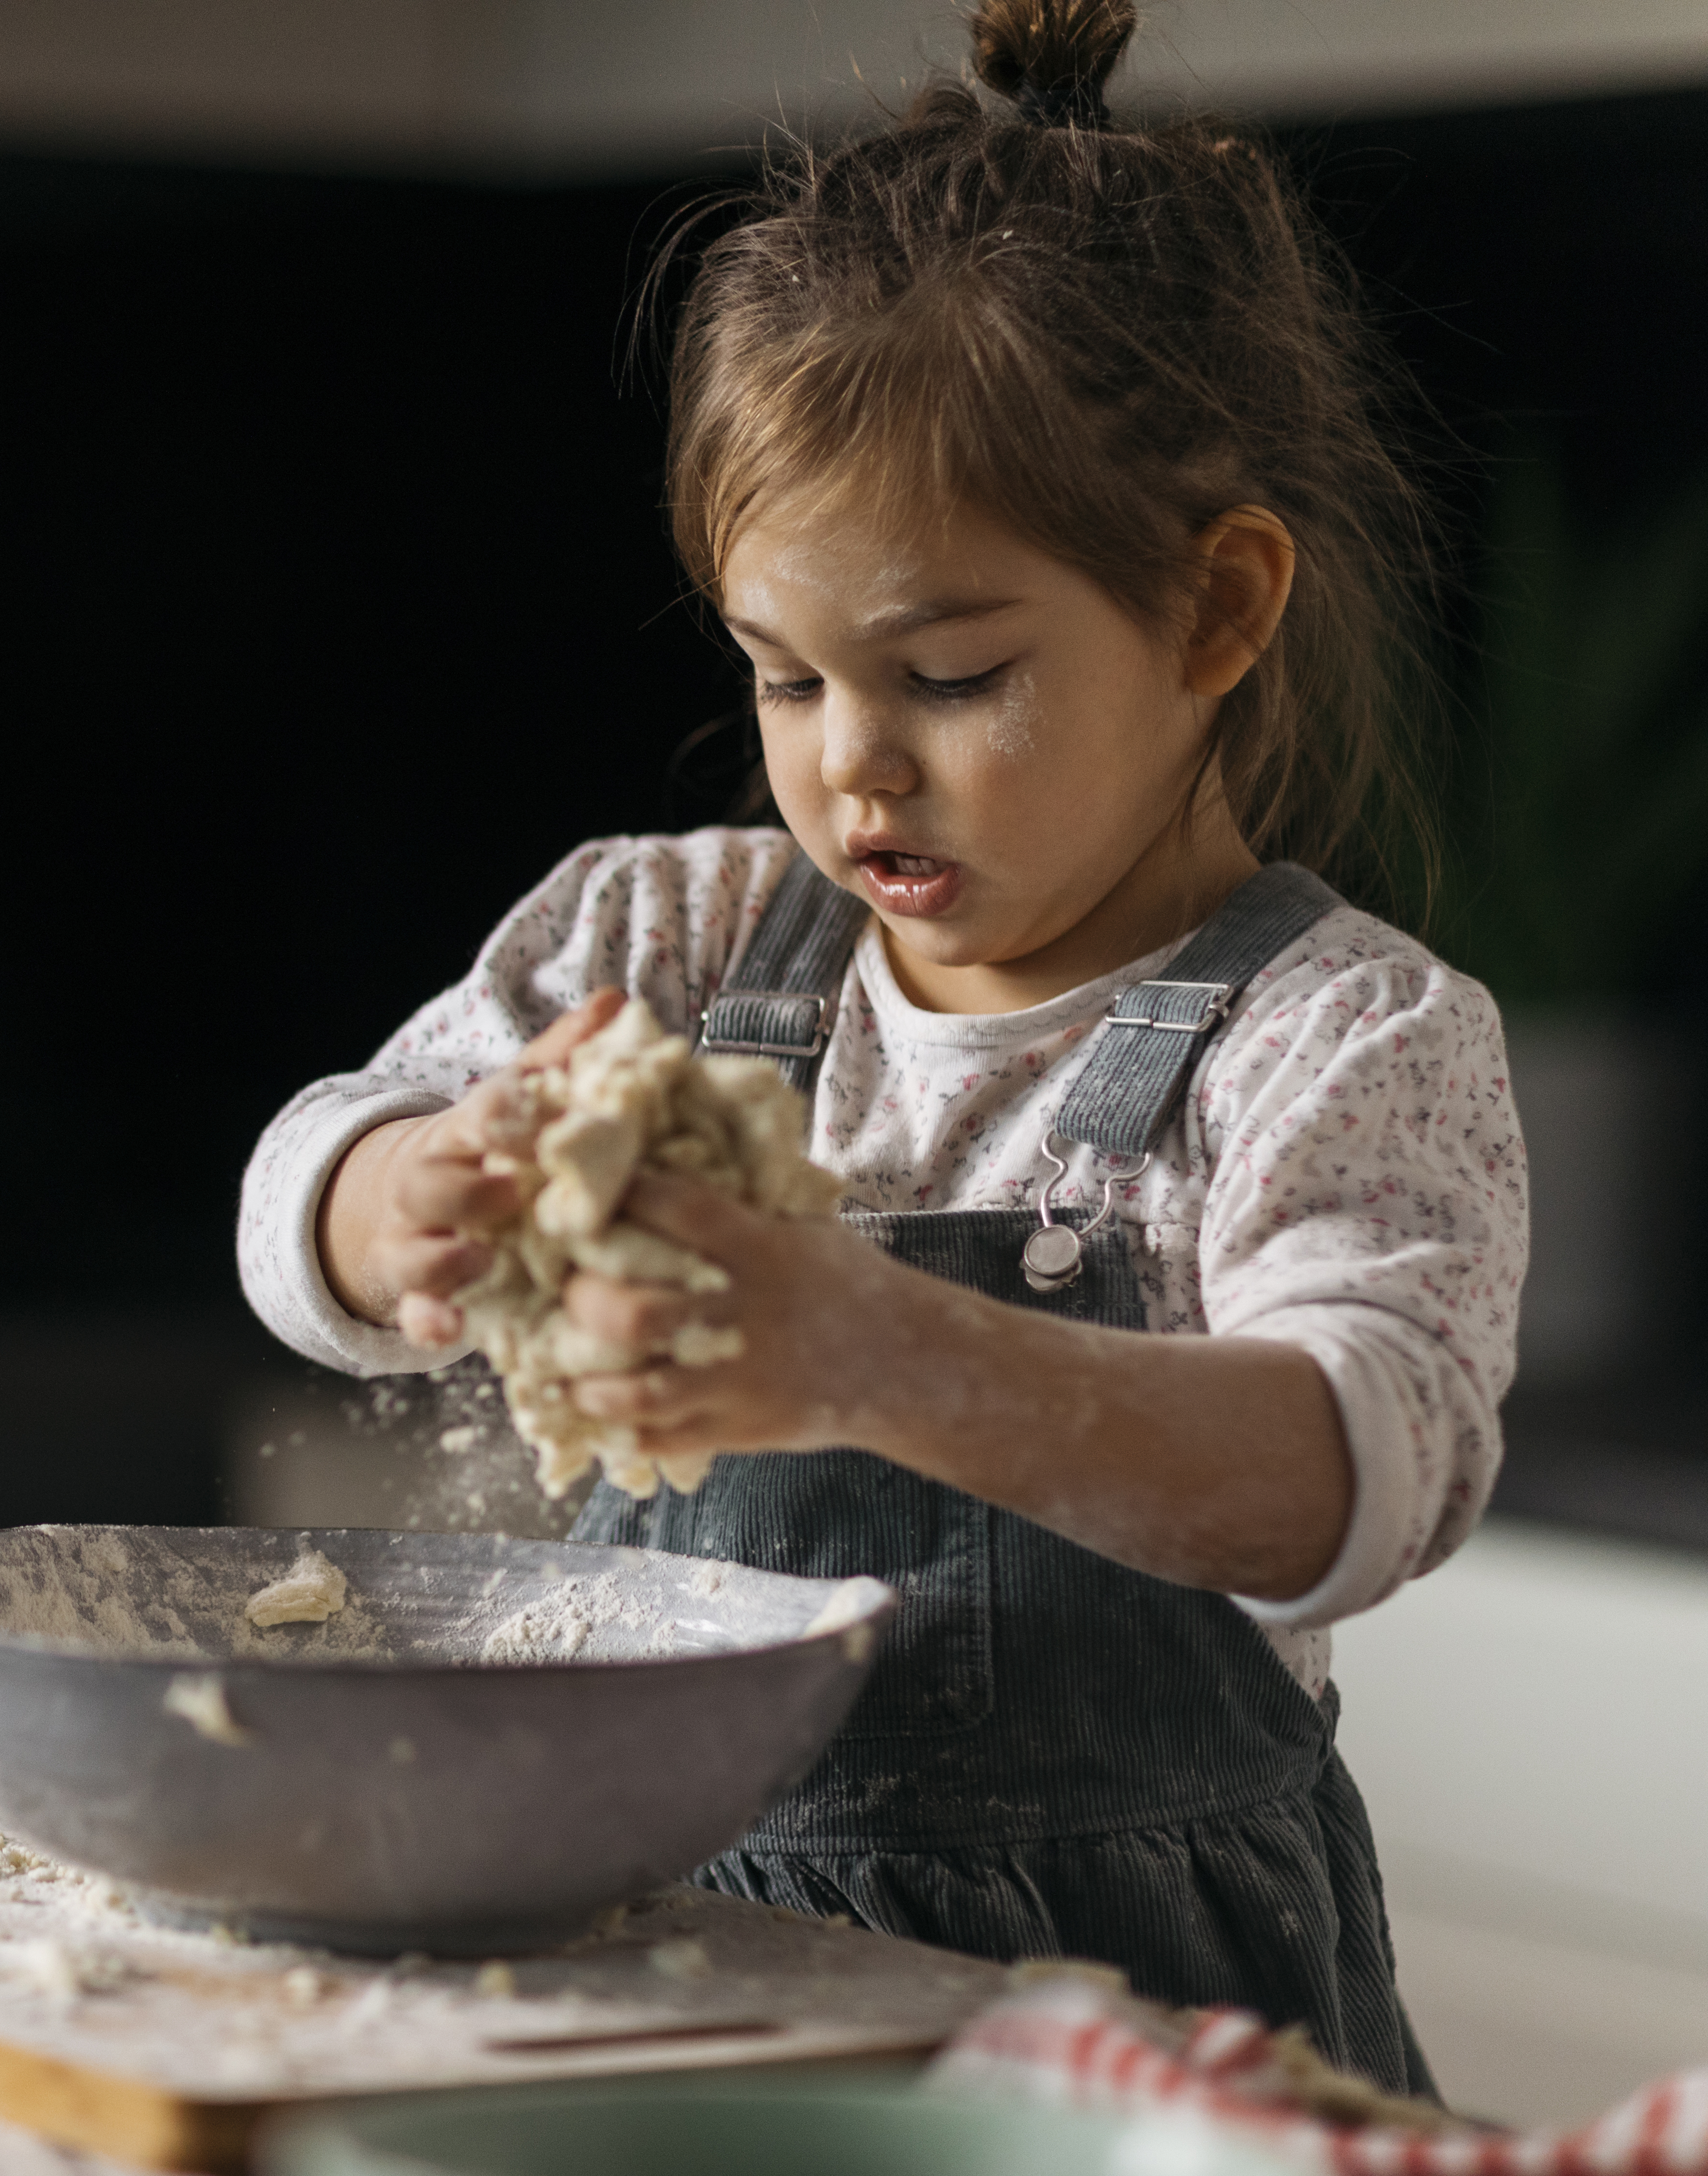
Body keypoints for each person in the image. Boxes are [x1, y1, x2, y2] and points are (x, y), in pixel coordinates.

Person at [236, 0, 1520, 2097]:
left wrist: (875, 1348)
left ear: (1215, 613)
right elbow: (306, 1184)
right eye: (783, 676)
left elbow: (1347, 1476)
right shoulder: (667, 937)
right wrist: (399, 1204)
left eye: (948, 674)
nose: (854, 770)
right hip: (671, 1972)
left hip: (1137, 2049)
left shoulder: (1338, 1039)